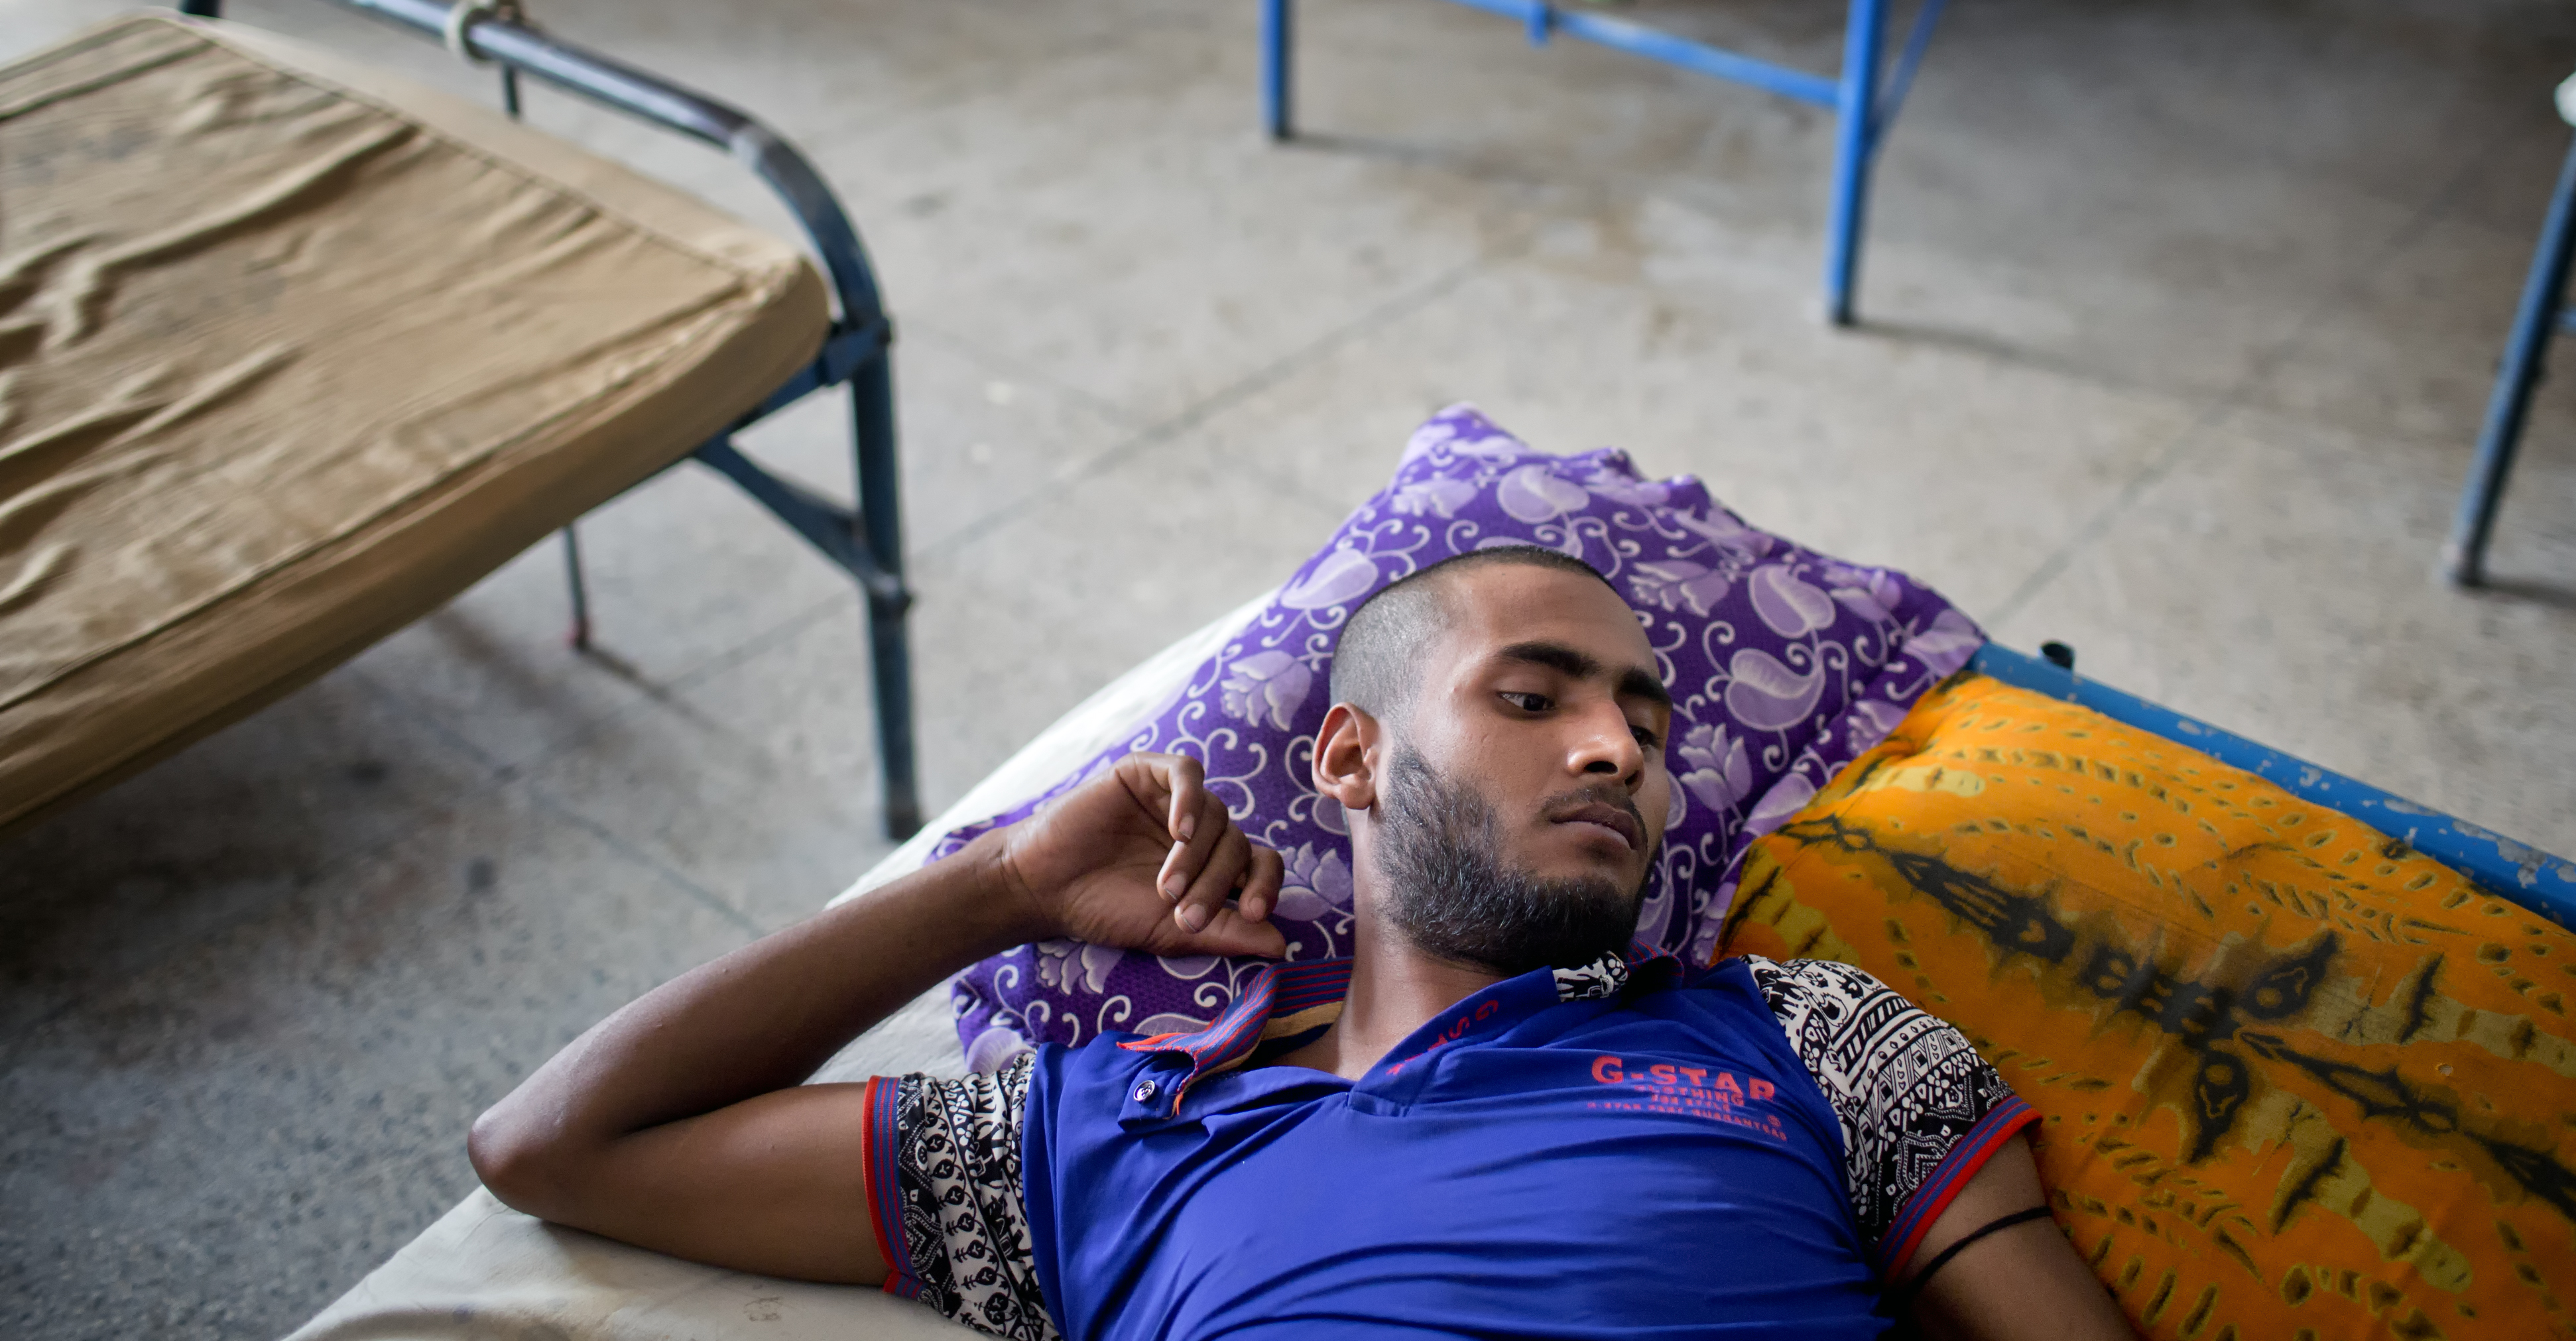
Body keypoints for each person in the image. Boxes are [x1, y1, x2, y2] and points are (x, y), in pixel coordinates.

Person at [470, 547, 2136, 1340]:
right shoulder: (1103, 1128)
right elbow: (557, 1142)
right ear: (1348, 756)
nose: (1620, 747)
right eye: (1533, 693)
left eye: (1643, 714)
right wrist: (996, 889)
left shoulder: (1806, 1039)